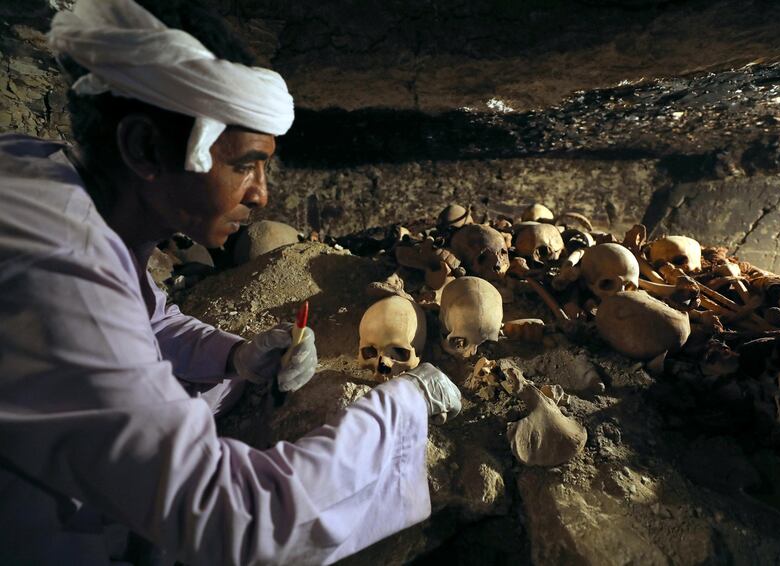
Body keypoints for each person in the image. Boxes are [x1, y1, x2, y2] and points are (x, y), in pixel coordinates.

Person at [0, 0, 462, 564]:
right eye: (245, 164)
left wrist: (236, 356)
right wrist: (402, 409)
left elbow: (144, 317)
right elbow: (229, 515)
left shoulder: (45, 180)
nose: (262, 194)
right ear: (146, 148)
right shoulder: (56, 262)